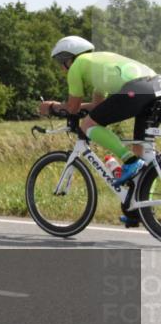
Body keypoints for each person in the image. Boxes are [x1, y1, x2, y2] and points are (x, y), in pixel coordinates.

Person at [40, 36, 161, 227]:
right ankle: (139, 210)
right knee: (143, 152)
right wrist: (76, 108)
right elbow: (97, 105)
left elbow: (73, 108)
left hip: (136, 90)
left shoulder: (78, 66)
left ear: (69, 58)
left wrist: (53, 107)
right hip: (155, 88)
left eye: (60, 62)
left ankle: (129, 160)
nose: (60, 68)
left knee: (87, 126)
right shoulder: (99, 64)